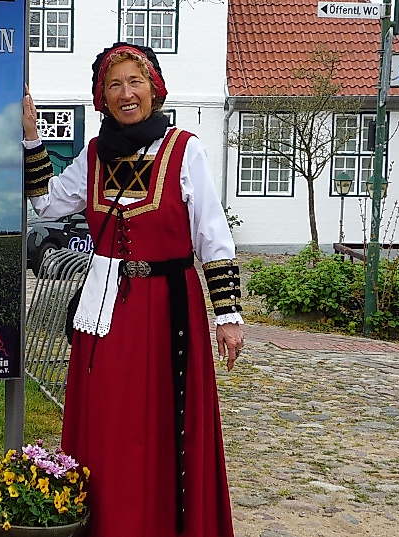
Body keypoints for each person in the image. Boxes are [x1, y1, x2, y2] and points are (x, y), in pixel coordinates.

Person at [22, 43, 243, 537]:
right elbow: (47, 205)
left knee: (163, 427)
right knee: (109, 421)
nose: (126, 94)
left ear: (154, 89)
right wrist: (33, 137)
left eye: (135, 83)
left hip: (169, 308)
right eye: (115, 85)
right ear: (102, 97)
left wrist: (227, 317)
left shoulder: (186, 149)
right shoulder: (95, 154)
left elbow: (212, 234)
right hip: (107, 313)